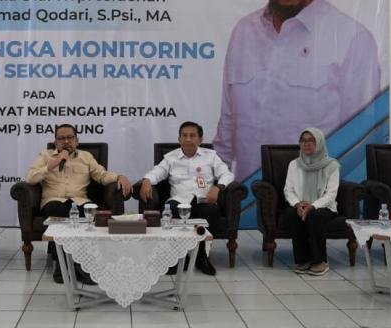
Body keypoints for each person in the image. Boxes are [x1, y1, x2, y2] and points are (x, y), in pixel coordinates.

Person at [214, 0, 381, 181]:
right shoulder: (244, 32)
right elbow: (226, 133)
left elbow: (359, 143)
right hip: (247, 198)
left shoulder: (353, 39)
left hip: (312, 197)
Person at [25, 123, 132, 283]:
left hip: (80, 201)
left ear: (77, 141)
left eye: (70, 137)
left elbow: (101, 175)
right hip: (53, 201)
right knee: (60, 211)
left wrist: (119, 177)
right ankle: (63, 266)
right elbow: (30, 178)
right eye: (61, 138)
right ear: (55, 142)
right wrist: (50, 166)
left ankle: (82, 265)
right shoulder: (45, 156)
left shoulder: (86, 157)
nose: (66, 141)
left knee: (91, 213)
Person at [139, 121, 234, 276]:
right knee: (169, 212)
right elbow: (157, 172)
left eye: (192, 135)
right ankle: (176, 258)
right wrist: (147, 180)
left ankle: (201, 257)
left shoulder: (211, 156)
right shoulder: (170, 158)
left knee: (211, 211)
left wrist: (218, 187)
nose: (188, 139)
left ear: (200, 140)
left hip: (203, 200)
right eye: (184, 135)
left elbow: (227, 174)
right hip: (179, 201)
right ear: (179, 139)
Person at [282, 127, 340, 276]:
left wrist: (313, 206)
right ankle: (303, 260)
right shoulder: (294, 164)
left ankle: (320, 261)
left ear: (319, 143)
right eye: (303, 141)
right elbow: (288, 190)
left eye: (311, 141)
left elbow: (331, 194)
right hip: (300, 204)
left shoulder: (332, 165)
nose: (306, 144)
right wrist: (297, 204)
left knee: (315, 215)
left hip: (324, 207)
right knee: (291, 213)